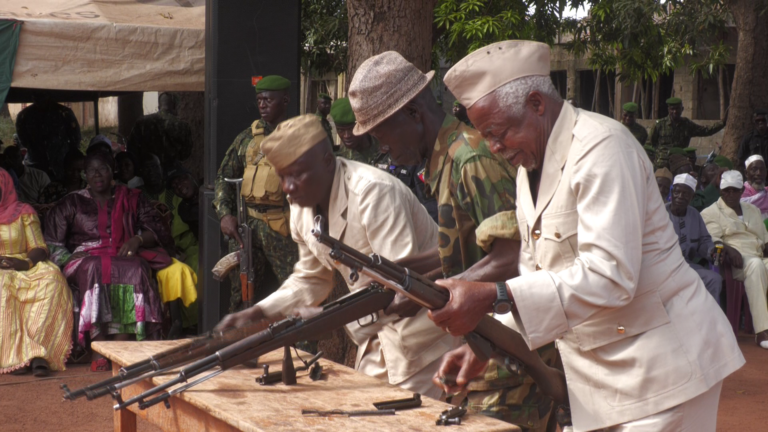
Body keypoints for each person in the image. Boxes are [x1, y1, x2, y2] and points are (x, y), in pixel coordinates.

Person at [434, 40, 743, 431]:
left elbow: (610, 275)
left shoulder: (603, 147)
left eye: (498, 132)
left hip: (664, 369)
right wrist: (488, 346)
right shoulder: (529, 169)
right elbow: (535, 279)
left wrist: (493, 294)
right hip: (602, 381)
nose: (494, 148)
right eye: (486, 135)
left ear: (536, 104)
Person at [349, 51, 553, 431]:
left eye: (381, 134)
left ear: (412, 114)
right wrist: (407, 273)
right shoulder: (447, 160)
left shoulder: (468, 159)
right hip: (484, 350)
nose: (383, 149)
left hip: (511, 356)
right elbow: (466, 249)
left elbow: (516, 253)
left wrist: (439, 289)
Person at [215, 115, 459, 398]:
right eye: (282, 176)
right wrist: (259, 312)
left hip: (425, 337)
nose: (288, 187)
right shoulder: (301, 203)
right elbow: (311, 278)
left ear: (328, 162)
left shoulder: (373, 194)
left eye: (297, 174)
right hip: (375, 338)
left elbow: (402, 289)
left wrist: (324, 316)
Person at [44, 153, 197, 371]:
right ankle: (99, 347)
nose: (97, 175)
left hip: (124, 252)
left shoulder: (133, 197)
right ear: (84, 175)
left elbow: (156, 230)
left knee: (134, 268)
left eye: (103, 169)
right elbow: (51, 242)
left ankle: (121, 347)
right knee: (95, 267)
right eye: (92, 171)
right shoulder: (71, 202)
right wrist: (68, 258)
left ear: (112, 170)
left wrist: (137, 239)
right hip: (85, 258)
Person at [213, 75, 299, 311]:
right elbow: (223, 177)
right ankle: (239, 345)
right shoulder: (247, 139)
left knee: (296, 294)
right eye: (259, 99)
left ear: (285, 100)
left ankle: (303, 347)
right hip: (247, 228)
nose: (262, 105)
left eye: (268, 100)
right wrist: (224, 214)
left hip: (283, 227)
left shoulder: (299, 136)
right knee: (241, 296)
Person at [0, 168, 73, 377]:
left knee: (53, 280)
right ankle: (16, 357)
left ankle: (40, 353)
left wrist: (25, 263)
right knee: (3, 287)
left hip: (25, 263)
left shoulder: (23, 211)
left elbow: (39, 246)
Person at [701, 170, 768, 350]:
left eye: (734, 190)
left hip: (759, 255)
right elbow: (713, 241)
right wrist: (729, 250)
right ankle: (762, 330)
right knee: (755, 266)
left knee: (758, 265)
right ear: (721, 191)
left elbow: (765, 239)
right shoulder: (711, 213)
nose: (730, 194)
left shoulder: (752, 210)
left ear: (741, 191)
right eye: (726, 190)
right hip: (737, 261)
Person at [139, 153, 200, 332]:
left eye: (181, 180)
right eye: (175, 185)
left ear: (192, 176)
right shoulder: (182, 207)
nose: (179, 187)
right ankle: (186, 325)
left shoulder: (208, 194)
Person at [666, 174, 723, 303]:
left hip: (687, 266)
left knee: (714, 279)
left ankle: (709, 320)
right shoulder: (661, 213)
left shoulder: (694, 215)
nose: (680, 196)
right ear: (672, 192)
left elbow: (704, 241)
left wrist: (712, 251)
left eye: (685, 194)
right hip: (664, 267)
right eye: (677, 192)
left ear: (692, 197)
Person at [648, 97, 726, 169]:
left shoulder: (686, 124)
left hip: (680, 164)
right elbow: (650, 143)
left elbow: (705, 130)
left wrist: (722, 123)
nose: (675, 111)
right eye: (672, 109)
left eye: (677, 109)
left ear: (682, 109)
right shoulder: (660, 125)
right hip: (662, 164)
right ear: (668, 110)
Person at [127, 92, 193, 173]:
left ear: (159, 106)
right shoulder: (183, 126)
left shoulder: (142, 122)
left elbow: (131, 149)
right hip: (172, 172)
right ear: (175, 106)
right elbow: (185, 154)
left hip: (146, 172)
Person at [330, 97, 381, 165]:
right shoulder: (339, 160)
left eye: (351, 129)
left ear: (363, 125)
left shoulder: (384, 147)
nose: (346, 135)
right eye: (340, 130)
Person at [740, 154, 768, 219]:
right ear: (746, 173)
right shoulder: (740, 192)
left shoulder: (765, 191)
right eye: (754, 169)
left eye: (762, 169)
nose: (759, 173)